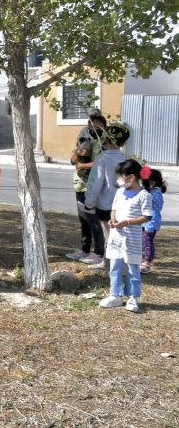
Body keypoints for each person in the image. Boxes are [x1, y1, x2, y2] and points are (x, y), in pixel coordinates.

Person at [98, 159, 152, 313]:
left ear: (132, 177)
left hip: (132, 239)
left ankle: (133, 297)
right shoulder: (120, 192)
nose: (119, 180)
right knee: (114, 266)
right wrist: (113, 219)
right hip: (116, 237)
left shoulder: (143, 195)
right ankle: (115, 294)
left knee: (132, 268)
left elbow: (146, 217)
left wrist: (128, 222)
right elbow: (114, 207)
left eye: (122, 176)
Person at [82, 122, 130, 270]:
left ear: (106, 139)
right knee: (120, 235)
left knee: (108, 235)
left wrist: (89, 203)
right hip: (123, 204)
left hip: (106, 205)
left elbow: (95, 182)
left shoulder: (102, 159)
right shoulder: (125, 159)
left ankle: (109, 264)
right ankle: (120, 263)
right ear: (123, 142)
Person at [66, 113, 107, 261]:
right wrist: (77, 153)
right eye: (92, 124)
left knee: (94, 221)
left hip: (93, 186)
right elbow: (72, 161)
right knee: (83, 220)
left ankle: (98, 253)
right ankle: (84, 249)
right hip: (79, 185)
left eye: (98, 124)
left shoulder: (103, 144)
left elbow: (100, 163)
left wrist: (82, 165)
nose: (94, 127)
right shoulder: (84, 140)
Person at [140, 166, 166, 274]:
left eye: (145, 182)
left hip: (150, 223)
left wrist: (150, 225)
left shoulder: (154, 194)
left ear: (153, 183)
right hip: (144, 222)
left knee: (148, 242)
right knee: (144, 242)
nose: (143, 184)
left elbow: (155, 211)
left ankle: (147, 263)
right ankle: (144, 259)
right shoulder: (150, 191)